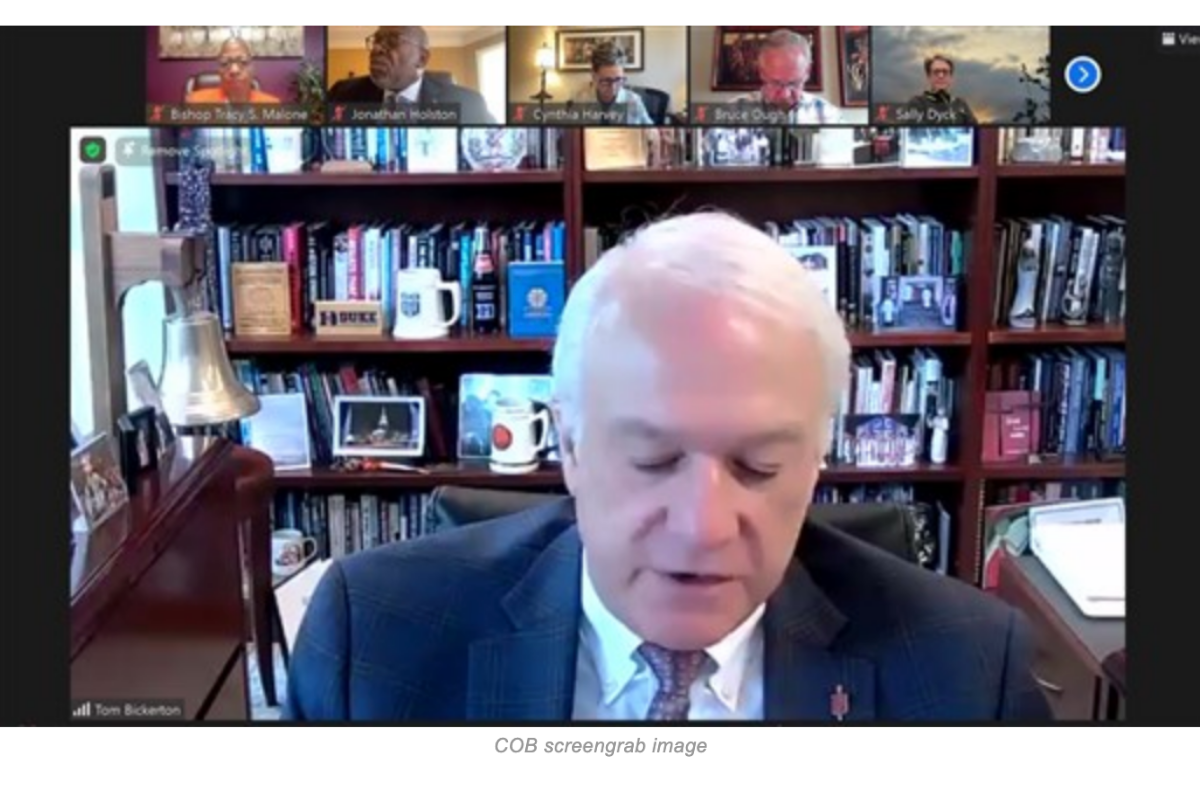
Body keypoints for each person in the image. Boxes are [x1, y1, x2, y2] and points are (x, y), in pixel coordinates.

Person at [285, 211, 1051, 722]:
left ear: (817, 462)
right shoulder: (374, 638)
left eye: (758, 466)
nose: (703, 528)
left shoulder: (971, 670)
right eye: (652, 460)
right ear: (572, 447)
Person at [326, 26, 496, 124]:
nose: (377, 49)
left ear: (421, 59)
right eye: (376, 40)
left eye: (392, 41)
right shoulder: (341, 94)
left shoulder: (468, 104)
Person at [727, 29, 841, 124]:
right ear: (761, 72)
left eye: (794, 83)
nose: (785, 95)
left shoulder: (831, 117)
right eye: (776, 83)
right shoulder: (730, 113)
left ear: (807, 71)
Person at [570, 41, 654, 126]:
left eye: (618, 80)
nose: (613, 88)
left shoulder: (634, 101)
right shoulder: (580, 101)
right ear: (594, 77)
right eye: (606, 81)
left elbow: (652, 131)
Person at [185, 38, 281, 104]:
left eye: (243, 62)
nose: (234, 70)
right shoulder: (194, 102)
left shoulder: (273, 106)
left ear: (252, 69)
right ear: (219, 71)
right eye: (225, 62)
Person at [904, 55, 977, 124]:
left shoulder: (961, 104)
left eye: (945, 72)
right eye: (936, 72)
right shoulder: (917, 103)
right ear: (929, 77)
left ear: (950, 78)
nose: (941, 76)